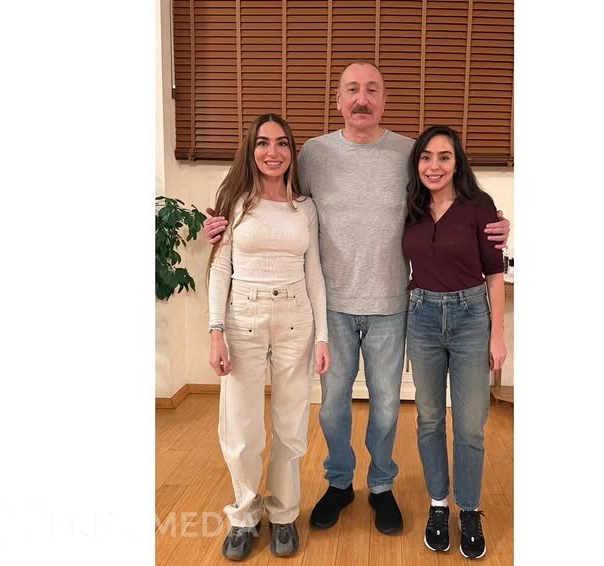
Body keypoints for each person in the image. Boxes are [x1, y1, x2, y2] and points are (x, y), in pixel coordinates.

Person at [204, 62, 510, 537]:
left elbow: (446, 200)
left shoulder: (409, 154)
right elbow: (278, 206)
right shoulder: (313, 154)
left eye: (371, 90)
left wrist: (494, 223)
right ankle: (340, 481)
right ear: (338, 99)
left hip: (392, 304)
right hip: (330, 305)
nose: (361, 99)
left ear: (384, 99)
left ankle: (382, 485)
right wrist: (224, 226)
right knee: (332, 407)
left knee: (386, 406)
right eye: (352, 90)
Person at [207, 113, 332, 561]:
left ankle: (283, 513)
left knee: (290, 424)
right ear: (251, 149)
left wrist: (323, 337)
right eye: (263, 143)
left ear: (292, 152)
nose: (272, 152)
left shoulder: (305, 208)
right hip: (242, 319)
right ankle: (243, 516)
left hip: (296, 320)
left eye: (281, 143)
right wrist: (216, 331)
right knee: (240, 427)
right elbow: (220, 268)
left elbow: (314, 272)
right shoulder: (234, 202)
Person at [403, 125, 505, 558]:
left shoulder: (480, 207)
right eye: (426, 157)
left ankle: (469, 508)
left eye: (444, 156)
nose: (434, 166)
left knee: (469, 424)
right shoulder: (409, 207)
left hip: (470, 319)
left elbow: (494, 275)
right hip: (422, 316)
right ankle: (439, 504)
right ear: (417, 164)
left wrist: (497, 336)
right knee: (428, 419)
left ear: (457, 161)